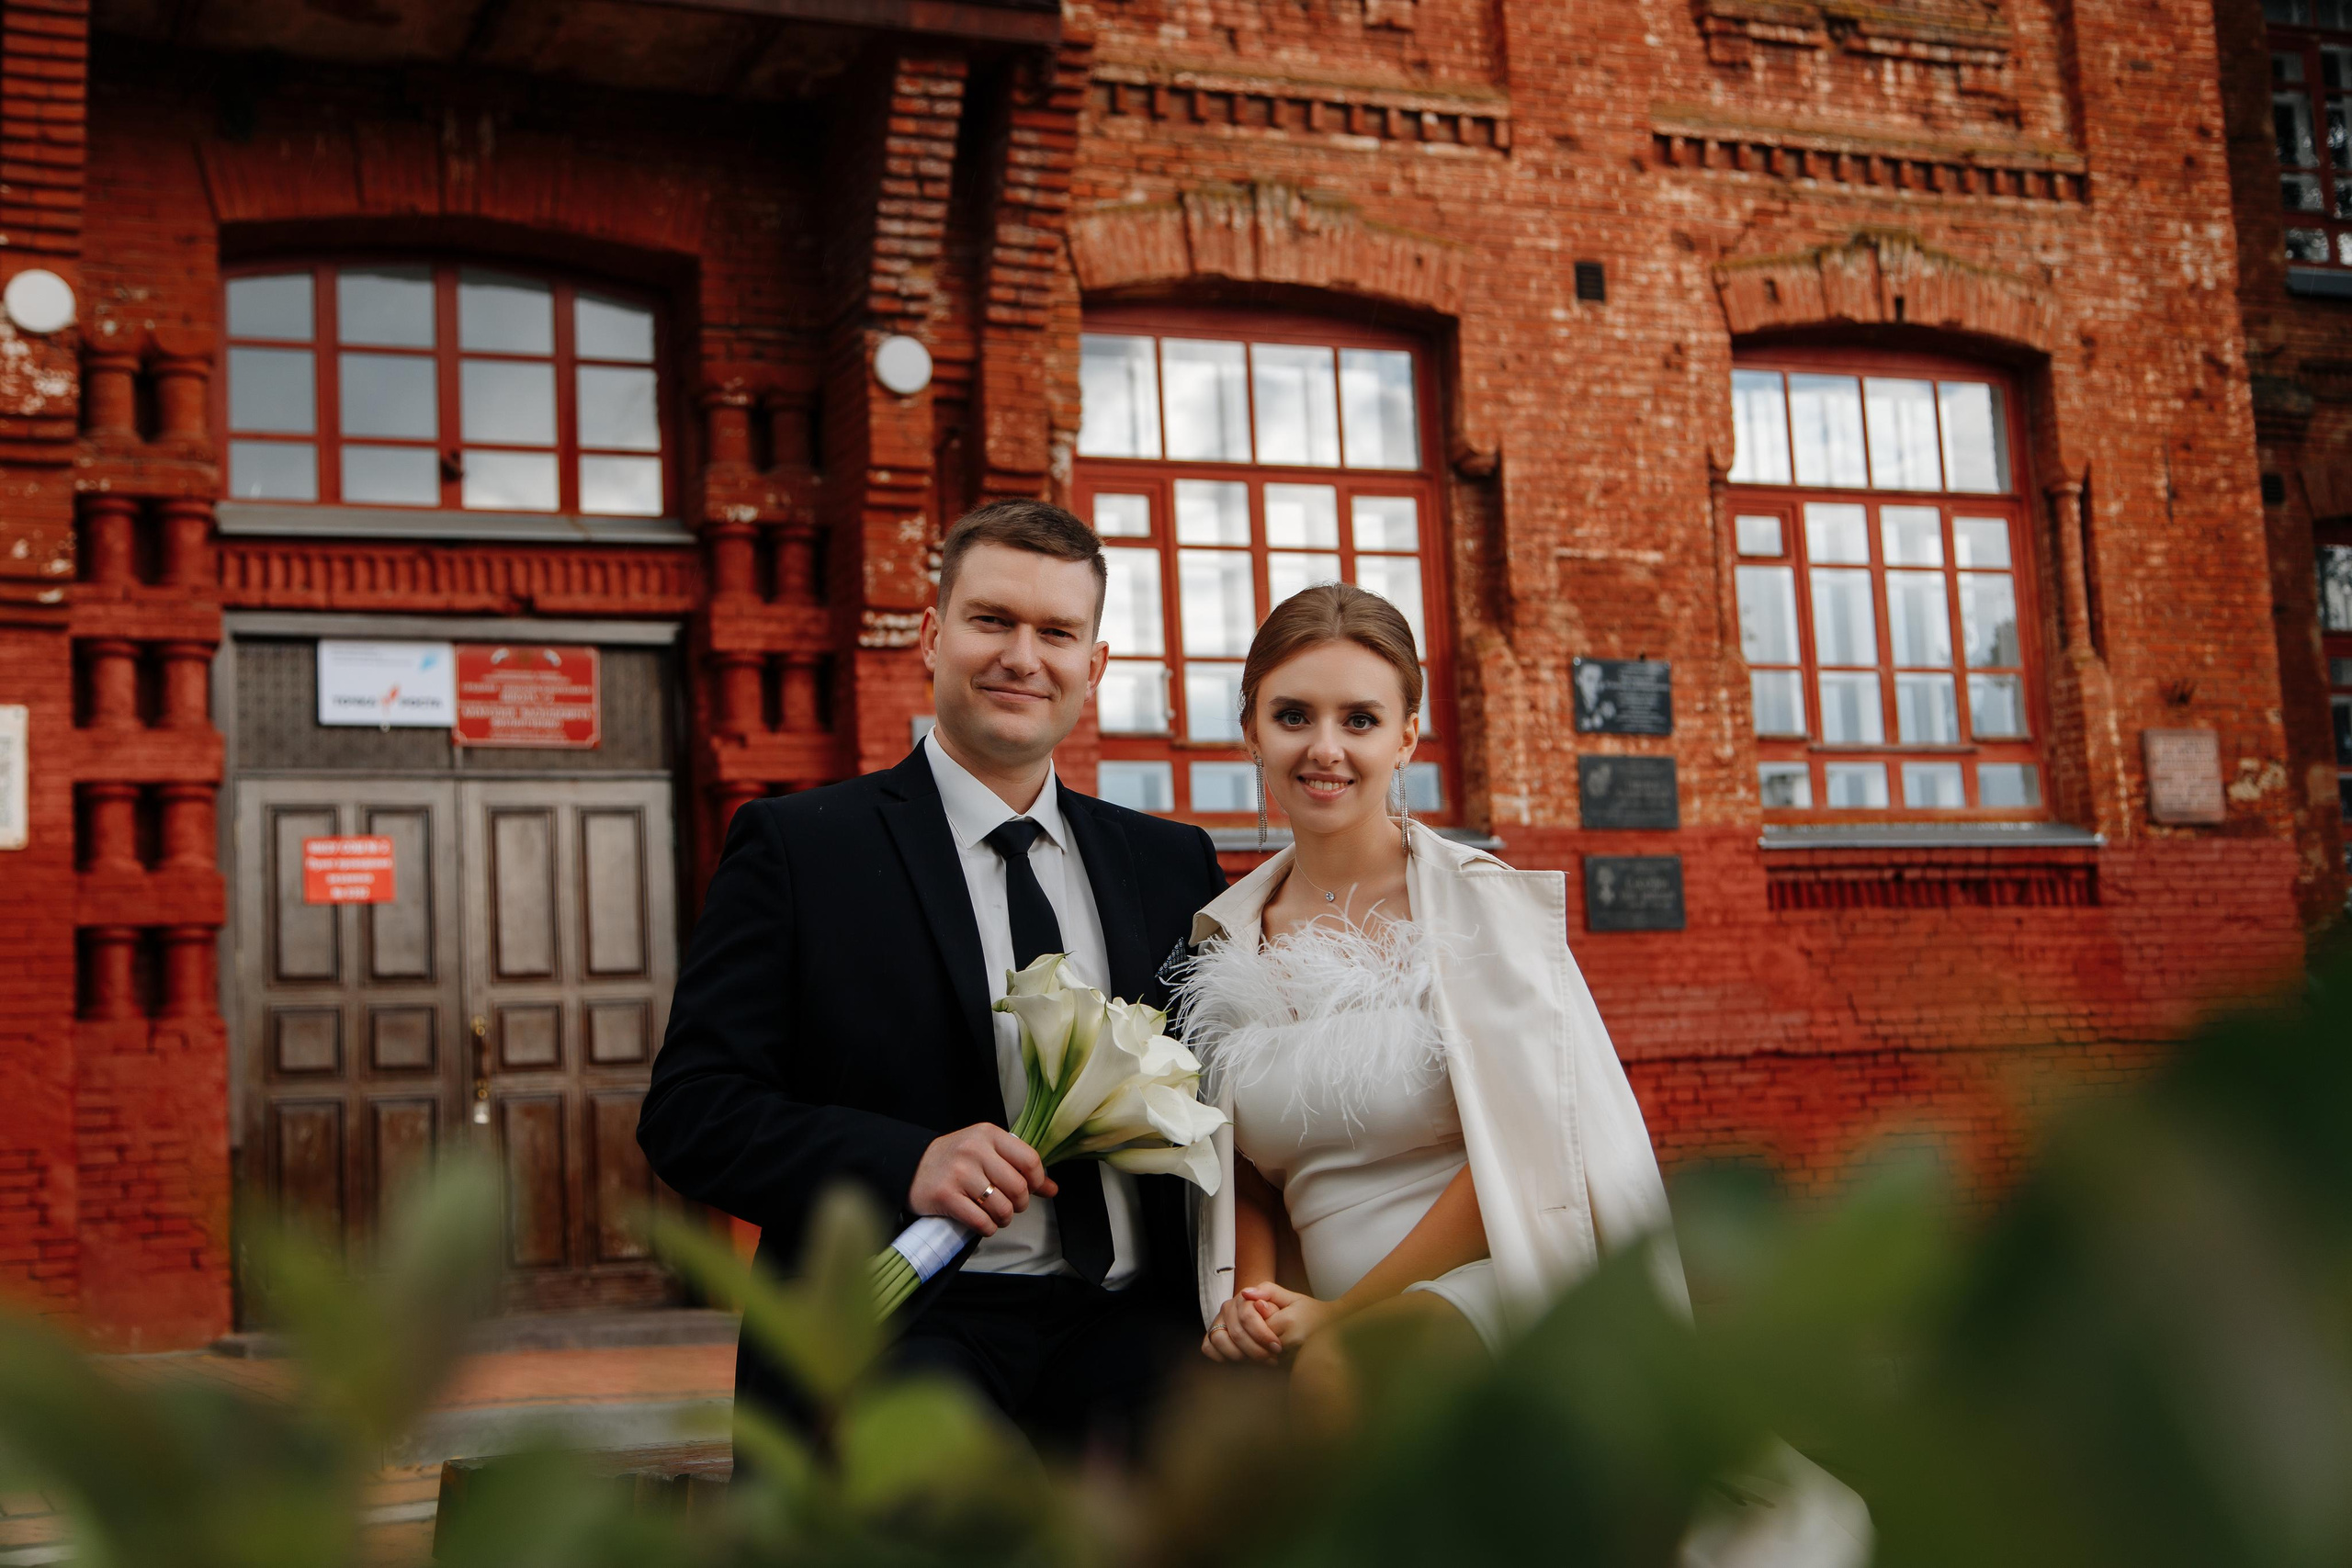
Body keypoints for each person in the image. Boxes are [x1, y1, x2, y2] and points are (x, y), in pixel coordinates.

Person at [639, 499, 1227, 1455]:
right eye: (991, 620)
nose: (1021, 657)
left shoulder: (1171, 866)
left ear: (1096, 665)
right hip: (900, 1336)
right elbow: (692, 1114)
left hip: (1134, 1335)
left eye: (1056, 632)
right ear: (931, 634)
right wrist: (904, 1162)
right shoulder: (801, 850)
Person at [1179, 581, 1689, 1418]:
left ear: (1408, 735)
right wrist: (1257, 1299)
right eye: (1294, 715)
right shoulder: (1223, 939)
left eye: (1361, 720)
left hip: (1498, 1283)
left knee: (1347, 1376)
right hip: (1323, 1317)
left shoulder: (1479, 909)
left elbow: (1523, 1144)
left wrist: (1347, 1315)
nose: (1325, 748)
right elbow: (1247, 1173)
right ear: (1252, 732)